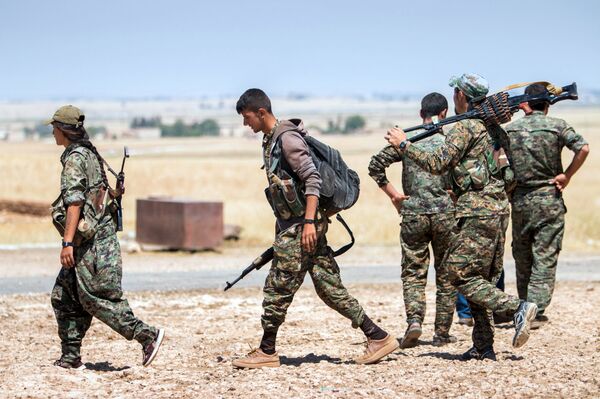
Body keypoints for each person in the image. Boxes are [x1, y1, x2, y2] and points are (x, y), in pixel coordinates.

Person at [232, 89, 398, 368]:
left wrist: (309, 223)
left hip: (302, 227)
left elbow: (312, 179)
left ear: (261, 112)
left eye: (247, 117)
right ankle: (377, 336)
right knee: (329, 286)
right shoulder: (272, 139)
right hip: (298, 226)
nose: (245, 124)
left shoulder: (287, 139)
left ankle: (267, 351)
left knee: (277, 289)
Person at [385, 74, 538, 361]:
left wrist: (403, 145)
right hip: (497, 211)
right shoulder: (494, 130)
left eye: (455, 91)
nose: (454, 95)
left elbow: (437, 162)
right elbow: (510, 175)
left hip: (476, 213)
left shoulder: (465, 127)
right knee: (482, 279)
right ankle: (483, 345)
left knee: (457, 273)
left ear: (462, 96)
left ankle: (517, 308)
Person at [48, 105, 164, 369]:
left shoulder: (77, 157)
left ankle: (147, 335)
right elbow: (97, 196)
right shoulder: (89, 153)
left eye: (54, 127)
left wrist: (66, 243)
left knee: (98, 299)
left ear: (63, 129)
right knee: (64, 296)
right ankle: (70, 357)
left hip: (92, 245)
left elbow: (74, 202)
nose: (52, 132)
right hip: (93, 240)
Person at [368, 93, 457, 348]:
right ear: (444, 113)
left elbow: (375, 165)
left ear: (421, 114)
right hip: (445, 214)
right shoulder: (450, 142)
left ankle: (414, 321)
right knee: (446, 274)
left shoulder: (409, 140)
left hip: (413, 213)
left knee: (413, 273)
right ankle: (442, 332)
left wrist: (394, 195)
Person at [502, 83, 589, 328]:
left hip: (520, 200)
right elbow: (583, 147)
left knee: (522, 255)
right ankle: (535, 309)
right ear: (547, 105)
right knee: (545, 255)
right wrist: (567, 175)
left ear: (525, 104)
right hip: (549, 199)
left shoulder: (511, 130)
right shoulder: (558, 126)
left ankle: (524, 305)